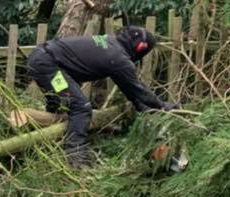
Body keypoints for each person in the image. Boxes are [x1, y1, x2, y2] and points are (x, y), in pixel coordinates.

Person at [26, 25, 178, 168]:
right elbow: (139, 91)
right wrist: (162, 106)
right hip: (48, 65)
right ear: (140, 48)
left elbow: (128, 88)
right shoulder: (119, 58)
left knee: (61, 105)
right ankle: (75, 159)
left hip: (43, 59)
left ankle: (46, 144)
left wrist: (144, 108)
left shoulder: (111, 46)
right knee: (81, 107)